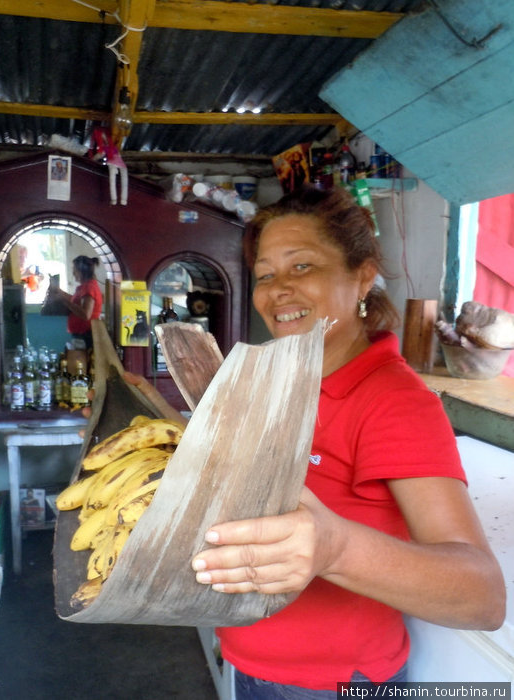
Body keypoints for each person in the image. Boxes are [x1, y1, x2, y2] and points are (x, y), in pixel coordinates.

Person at [92, 186, 505, 698]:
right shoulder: (276, 380)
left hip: (333, 684)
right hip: (252, 664)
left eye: (302, 266)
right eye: (265, 274)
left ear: (362, 276)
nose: (278, 289)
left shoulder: (392, 400)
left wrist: (335, 547)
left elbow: (481, 597)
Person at [49, 255, 103, 348]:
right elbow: (75, 301)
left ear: (82, 272)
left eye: (75, 270)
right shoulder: (85, 287)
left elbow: (86, 314)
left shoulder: (89, 288)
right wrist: (59, 291)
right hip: (81, 335)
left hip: (85, 336)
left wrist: (64, 301)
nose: (73, 273)